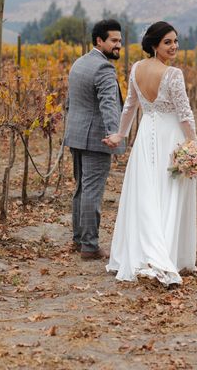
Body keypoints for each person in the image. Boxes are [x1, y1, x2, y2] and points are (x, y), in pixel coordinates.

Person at [103, 21, 197, 286]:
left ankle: (149, 251)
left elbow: (130, 107)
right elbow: (184, 114)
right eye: (167, 42)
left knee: (148, 191)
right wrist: (194, 144)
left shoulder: (136, 69)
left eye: (176, 41)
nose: (174, 46)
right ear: (154, 44)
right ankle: (163, 254)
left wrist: (121, 134)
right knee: (168, 192)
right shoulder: (173, 74)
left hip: (146, 135)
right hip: (170, 137)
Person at [64, 19, 125, 260]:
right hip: (96, 138)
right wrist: (113, 133)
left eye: (120, 40)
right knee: (91, 191)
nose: (118, 45)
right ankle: (90, 246)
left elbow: (70, 101)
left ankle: (79, 239)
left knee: (81, 189)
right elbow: (109, 103)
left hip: (77, 134)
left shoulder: (79, 63)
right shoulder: (104, 69)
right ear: (99, 40)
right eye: (114, 41)